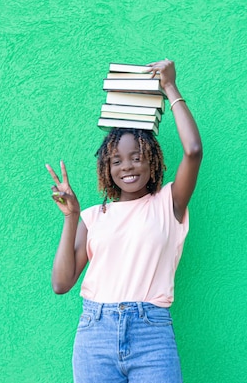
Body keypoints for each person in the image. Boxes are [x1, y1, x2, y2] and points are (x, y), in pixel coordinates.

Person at [46, 59, 202, 383]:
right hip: (94, 335)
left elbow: (194, 151)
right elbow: (61, 284)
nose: (127, 166)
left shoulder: (168, 204)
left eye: (136, 157)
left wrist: (170, 86)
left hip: (152, 335)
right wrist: (71, 218)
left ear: (152, 160)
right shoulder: (91, 216)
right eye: (117, 160)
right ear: (107, 167)